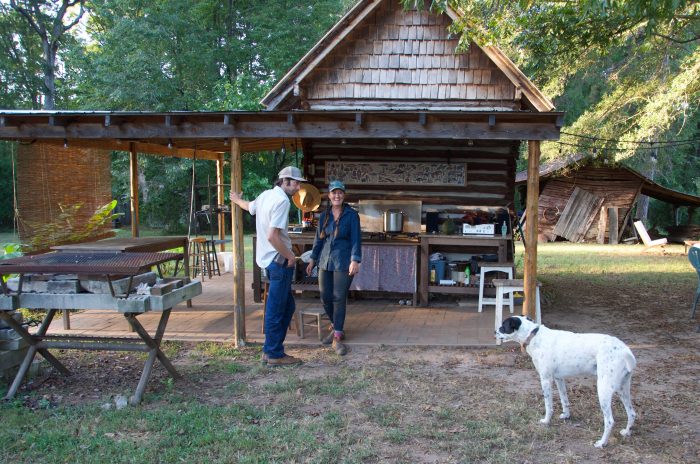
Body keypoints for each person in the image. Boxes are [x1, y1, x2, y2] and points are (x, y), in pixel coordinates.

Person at [229, 166, 306, 366]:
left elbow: (249, 207)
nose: (298, 187)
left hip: (269, 262)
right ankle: (273, 353)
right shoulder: (281, 201)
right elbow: (273, 236)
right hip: (279, 262)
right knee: (277, 308)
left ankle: (272, 350)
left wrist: (236, 200)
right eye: (296, 183)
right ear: (285, 181)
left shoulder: (265, 196)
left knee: (287, 306)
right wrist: (290, 256)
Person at [305, 180, 361, 356]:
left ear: (344, 195)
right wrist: (313, 259)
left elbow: (356, 240)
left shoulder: (352, 215)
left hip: (343, 261)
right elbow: (318, 239)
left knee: (338, 297)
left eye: (340, 193)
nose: (337, 195)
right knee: (325, 296)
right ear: (329, 195)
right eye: (333, 193)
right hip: (324, 261)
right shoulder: (324, 215)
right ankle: (336, 326)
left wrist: (355, 260)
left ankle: (337, 335)